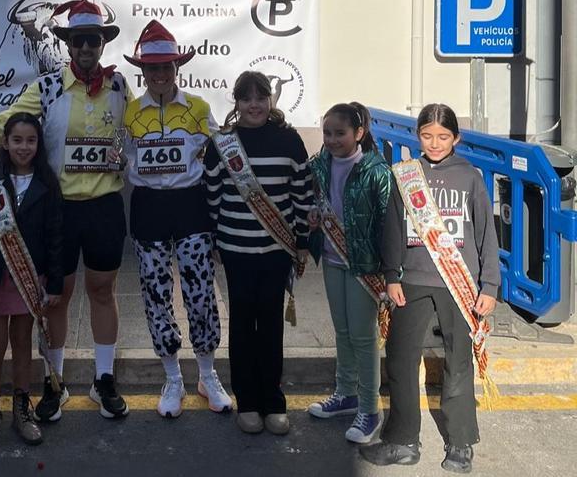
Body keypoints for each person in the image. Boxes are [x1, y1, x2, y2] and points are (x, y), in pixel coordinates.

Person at [0, 0, 133, 421]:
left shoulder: (119, 87)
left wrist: (127, 156)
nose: (85, 47)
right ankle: (54, 382)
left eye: (92, 40)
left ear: (102, 43)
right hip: (60, 209)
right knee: (56, 297)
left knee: (103, 291)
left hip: (105, 206)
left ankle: (104, 379)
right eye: (78, 40)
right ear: (68, 43)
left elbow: (135, 131)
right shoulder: (48, 87)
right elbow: (5, 123)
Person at [360, 104, 500, 473]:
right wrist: (391, 276)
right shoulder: (406, 175)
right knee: (400, 358)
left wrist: (489, 285)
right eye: (427, 135)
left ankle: (460, 442)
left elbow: (486, 234)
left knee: (459, 361)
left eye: (443, 136)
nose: (435, 143)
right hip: (412, 279)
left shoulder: (470, 177)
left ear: (456, 138)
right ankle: (402, 440)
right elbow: (392, 228)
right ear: (417, 135)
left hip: (459, 283)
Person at [119, 20, 232, 418]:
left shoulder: (198, 108)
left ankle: (207, 374)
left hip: (190, 205)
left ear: (177, 68)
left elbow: (222, 152)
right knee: (155, 292)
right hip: (148, 205)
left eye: (166, 67)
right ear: (143, 71)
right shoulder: (130, 113)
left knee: (200, 292)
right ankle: (172, 378)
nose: (160, 75)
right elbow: (120, 155)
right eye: (153, 68)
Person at [203, 71, 312, 434]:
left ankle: (273, 400)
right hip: (236, 250)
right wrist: (214, 240)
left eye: (260, 97)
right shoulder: (222, 144)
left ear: (270, 100)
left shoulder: (289, 140)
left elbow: (301, 193)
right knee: (242, 326)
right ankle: (247, 401)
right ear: (236, 102)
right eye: (246, 98)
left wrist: (301, 242)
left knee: (270, 326)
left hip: (276, 250)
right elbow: (212, 195)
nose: (254, 105)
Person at [0, 112, 63, 450]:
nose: (24, 147)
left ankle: (22, 409)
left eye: (31, 140)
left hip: (29, 277)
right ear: (5, 143)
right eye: (17, 140)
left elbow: (55, 236)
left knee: (23, 343)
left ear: (39, 144)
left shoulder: (48, 183)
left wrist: (54, 283)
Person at [306, 103, 392, 443]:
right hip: (332, 257)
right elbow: (314, 201)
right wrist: (313, 215)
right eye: (327, 133)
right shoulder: (320, 164)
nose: (331, 140)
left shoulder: (376, 171)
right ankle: (346, 394)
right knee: (342, 332)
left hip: (364, 265)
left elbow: (388, 223)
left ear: (359, 133)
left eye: (339, 133)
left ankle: (369, 409)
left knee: (363, 337)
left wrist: (391, 273)